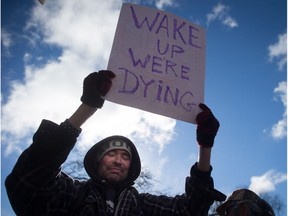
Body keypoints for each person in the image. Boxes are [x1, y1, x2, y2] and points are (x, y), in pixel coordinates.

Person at [5, 70, 226, 216]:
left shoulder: (144, 204)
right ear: (99, 160)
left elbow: (191, 210)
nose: (118, 160)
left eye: (125, 156)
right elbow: (28, 181)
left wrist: (205, 146)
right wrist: (88, 106)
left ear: (131, 166)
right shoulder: (74, 193)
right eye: (112, 154)